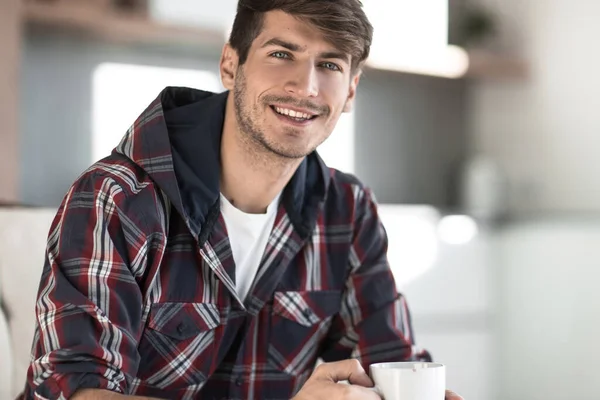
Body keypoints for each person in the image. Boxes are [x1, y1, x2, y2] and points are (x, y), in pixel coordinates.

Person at [22, 0, 464, 399]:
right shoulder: (117, 199)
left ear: (350, 90)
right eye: (281, 54)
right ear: (231, 65)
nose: (306, 86)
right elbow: (77, 393)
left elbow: (390, 362)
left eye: (329, 64)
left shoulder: (348, 210)